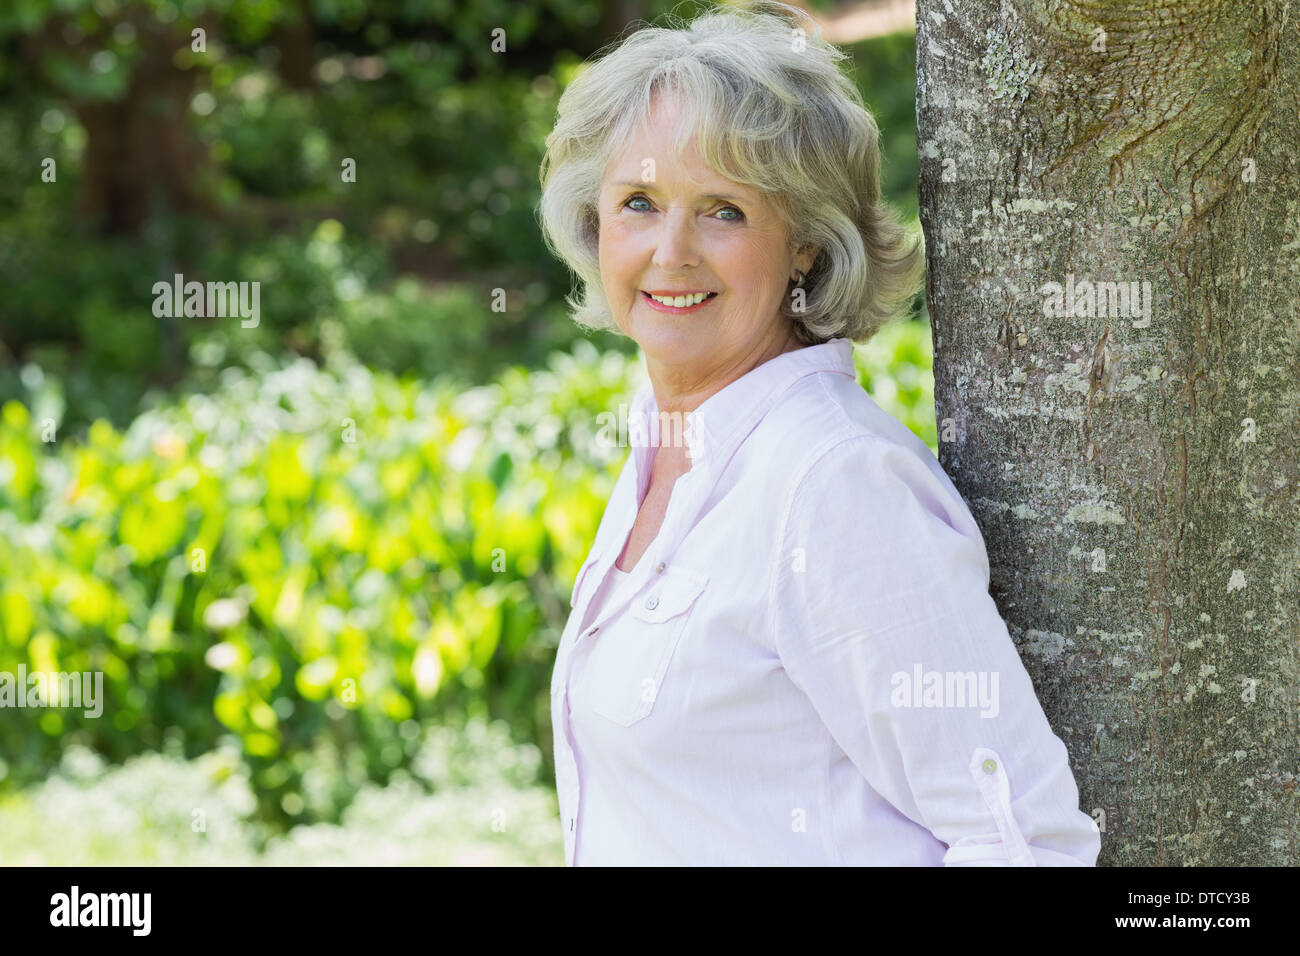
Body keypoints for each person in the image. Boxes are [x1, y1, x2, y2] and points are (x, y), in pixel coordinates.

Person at [535, 0, 1099, 866]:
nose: (671, 251)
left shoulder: (834, 484)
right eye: (639, 201)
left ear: (804, 243)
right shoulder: (674, 448)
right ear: (594, 221)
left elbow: (1025, 843)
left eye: (723, 210)